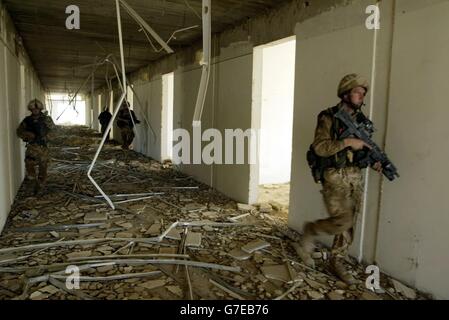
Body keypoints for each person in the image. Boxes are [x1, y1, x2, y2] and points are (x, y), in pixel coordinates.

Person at [296, 74, 382, 284]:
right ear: (345, 94)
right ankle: (311, 230)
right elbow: (320, 147)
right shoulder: (328, 117)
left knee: (350, 223)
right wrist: (347, 142)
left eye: (363, 93)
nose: (361, 96)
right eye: (356, 92)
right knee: (341, 221)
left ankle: (337, 260)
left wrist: (374, 161)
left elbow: (364, 150)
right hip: (334, 176)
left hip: (355, 177)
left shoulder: (363, 122)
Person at [16, 99, 56, 195]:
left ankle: (41, 187)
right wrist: (27, 135)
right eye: (33, 109)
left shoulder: (47, 119)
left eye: (37, 109)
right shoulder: (27, 120)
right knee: (29, 165)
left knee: (43, 168)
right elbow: (19, 132)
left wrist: (47, 137)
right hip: (32, 147)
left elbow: (54, 131)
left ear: (40, 109)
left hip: (43, 148)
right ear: (30, 110)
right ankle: (32, 186)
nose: (35, 111)